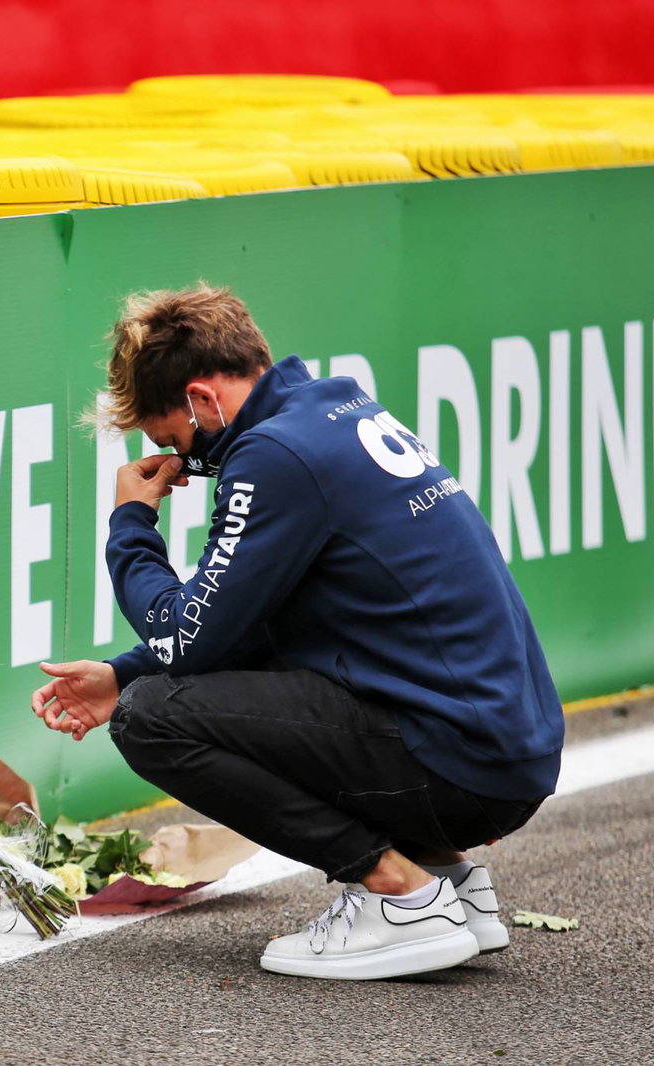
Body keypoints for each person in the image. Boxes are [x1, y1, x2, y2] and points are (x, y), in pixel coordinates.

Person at [32, 283, 563, 980]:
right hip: (501, 752)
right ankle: (451, 883)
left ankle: (398, 896)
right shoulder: (332, 413)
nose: (185, 462)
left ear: (201, 399)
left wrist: (131, 521)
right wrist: (123, 671)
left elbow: (186, 640)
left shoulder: (276, 456)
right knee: (169, 691)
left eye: (174, 440)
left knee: (151, 721)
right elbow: (254, 626)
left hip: (462, 764)